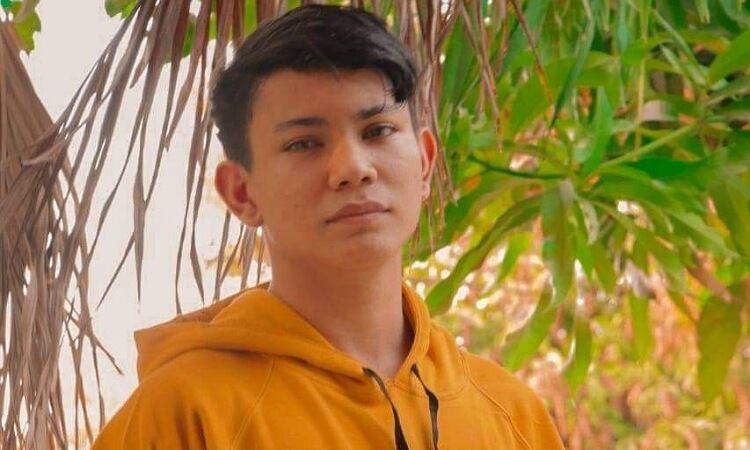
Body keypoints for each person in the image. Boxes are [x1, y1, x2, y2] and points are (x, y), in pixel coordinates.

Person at [91, 5, 565, 449]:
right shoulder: (187, 413)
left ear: (424, 163)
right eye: (303, 143)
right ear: (241, 192)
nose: (353, 168)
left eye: (377, 131)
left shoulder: (510, 415)